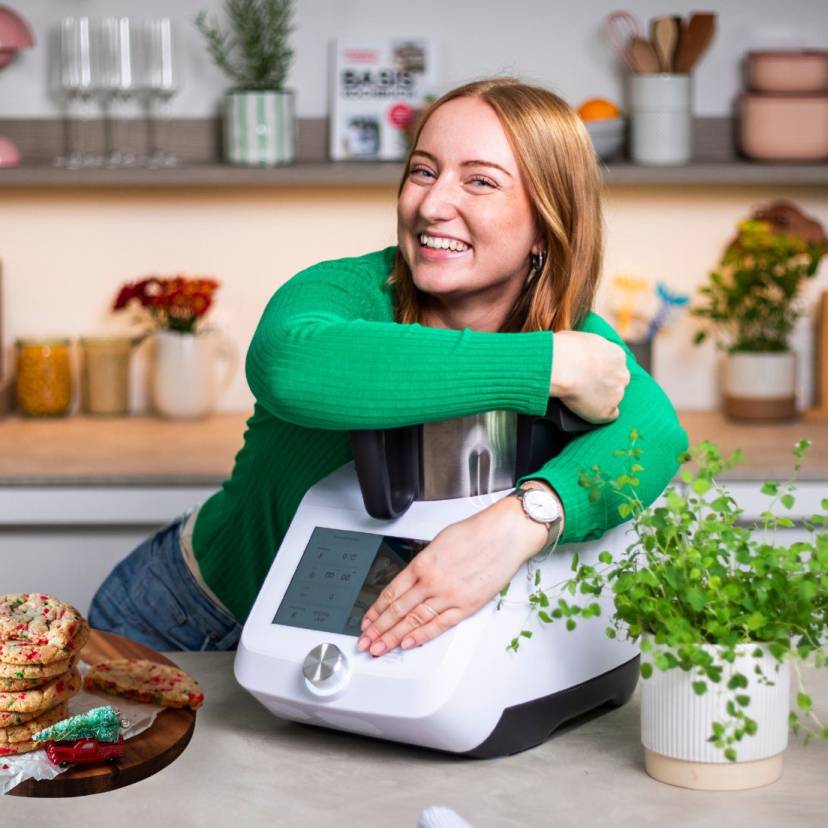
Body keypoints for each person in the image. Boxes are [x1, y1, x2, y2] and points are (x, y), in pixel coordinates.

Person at [89, 78, 688, 654]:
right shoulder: (347, 294)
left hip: (347, 639)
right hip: (188, 617)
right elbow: (287, 363)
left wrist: (518, 523)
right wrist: (548, 365)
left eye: (480, 182)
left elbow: (656, 432)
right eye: (423, 171)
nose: (432, 203)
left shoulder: (571, 334)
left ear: (545, 225)